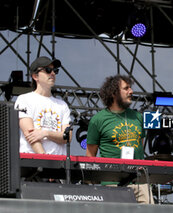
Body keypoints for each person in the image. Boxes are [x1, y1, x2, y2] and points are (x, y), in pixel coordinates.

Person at [86, 75, 153, 204]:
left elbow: (140, 146)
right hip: (111, 182)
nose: (131, 91)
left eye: (130, 88)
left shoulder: (137, 117)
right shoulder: (98, 120)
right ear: (114, 93)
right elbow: (90, 155)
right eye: (126, 88)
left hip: (140, 181)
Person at [15, 56, 71, 155]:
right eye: (48, 70)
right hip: (32, 162)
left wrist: (46, 133)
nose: (52, 73)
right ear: (35, 76)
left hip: (59, 164)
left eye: (55, 71)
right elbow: (29, 134)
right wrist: (44, 157)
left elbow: (68, 137)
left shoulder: (62, 105)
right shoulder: (24, 99)